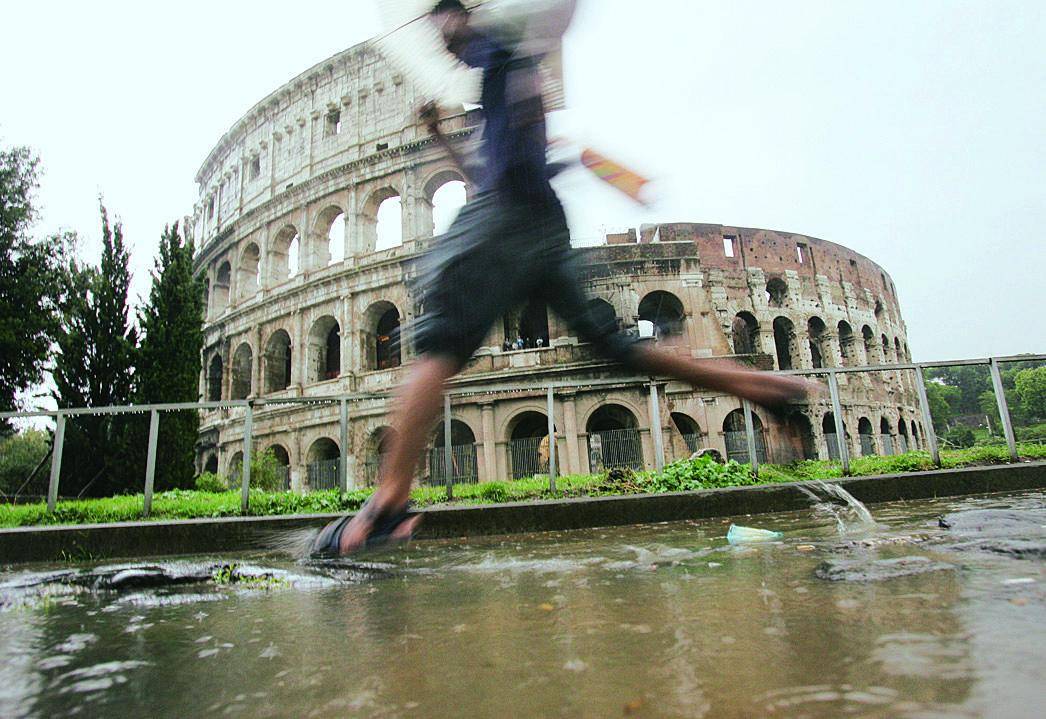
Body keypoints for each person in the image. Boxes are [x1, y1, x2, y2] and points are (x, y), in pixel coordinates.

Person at [310, 0, 811, 556]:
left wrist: (522, 77)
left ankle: (387, 505)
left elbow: (549, 29)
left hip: (506, 218)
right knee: (614, 348)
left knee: (436, 344)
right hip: (541, 225)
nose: (439, 36)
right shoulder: (499, 78)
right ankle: (767, 387)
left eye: (440, 21)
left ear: (460, 15)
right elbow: (486, 170)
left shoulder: (497, 51)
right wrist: (443, 137)